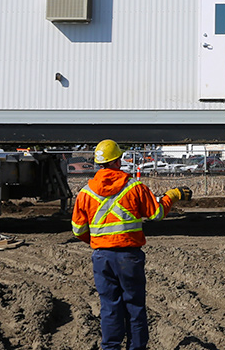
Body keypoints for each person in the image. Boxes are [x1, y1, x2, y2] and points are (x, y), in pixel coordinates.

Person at [71, 139, 191, 350]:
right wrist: (172, 195)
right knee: (134, 307)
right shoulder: (134, 188)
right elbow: (156, 213)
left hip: (102, 258)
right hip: (129, 257)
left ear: (100, 164)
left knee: (109, 307)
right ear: (117, 161)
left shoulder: (85, 193)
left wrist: (99, 241)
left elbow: (78, 230)